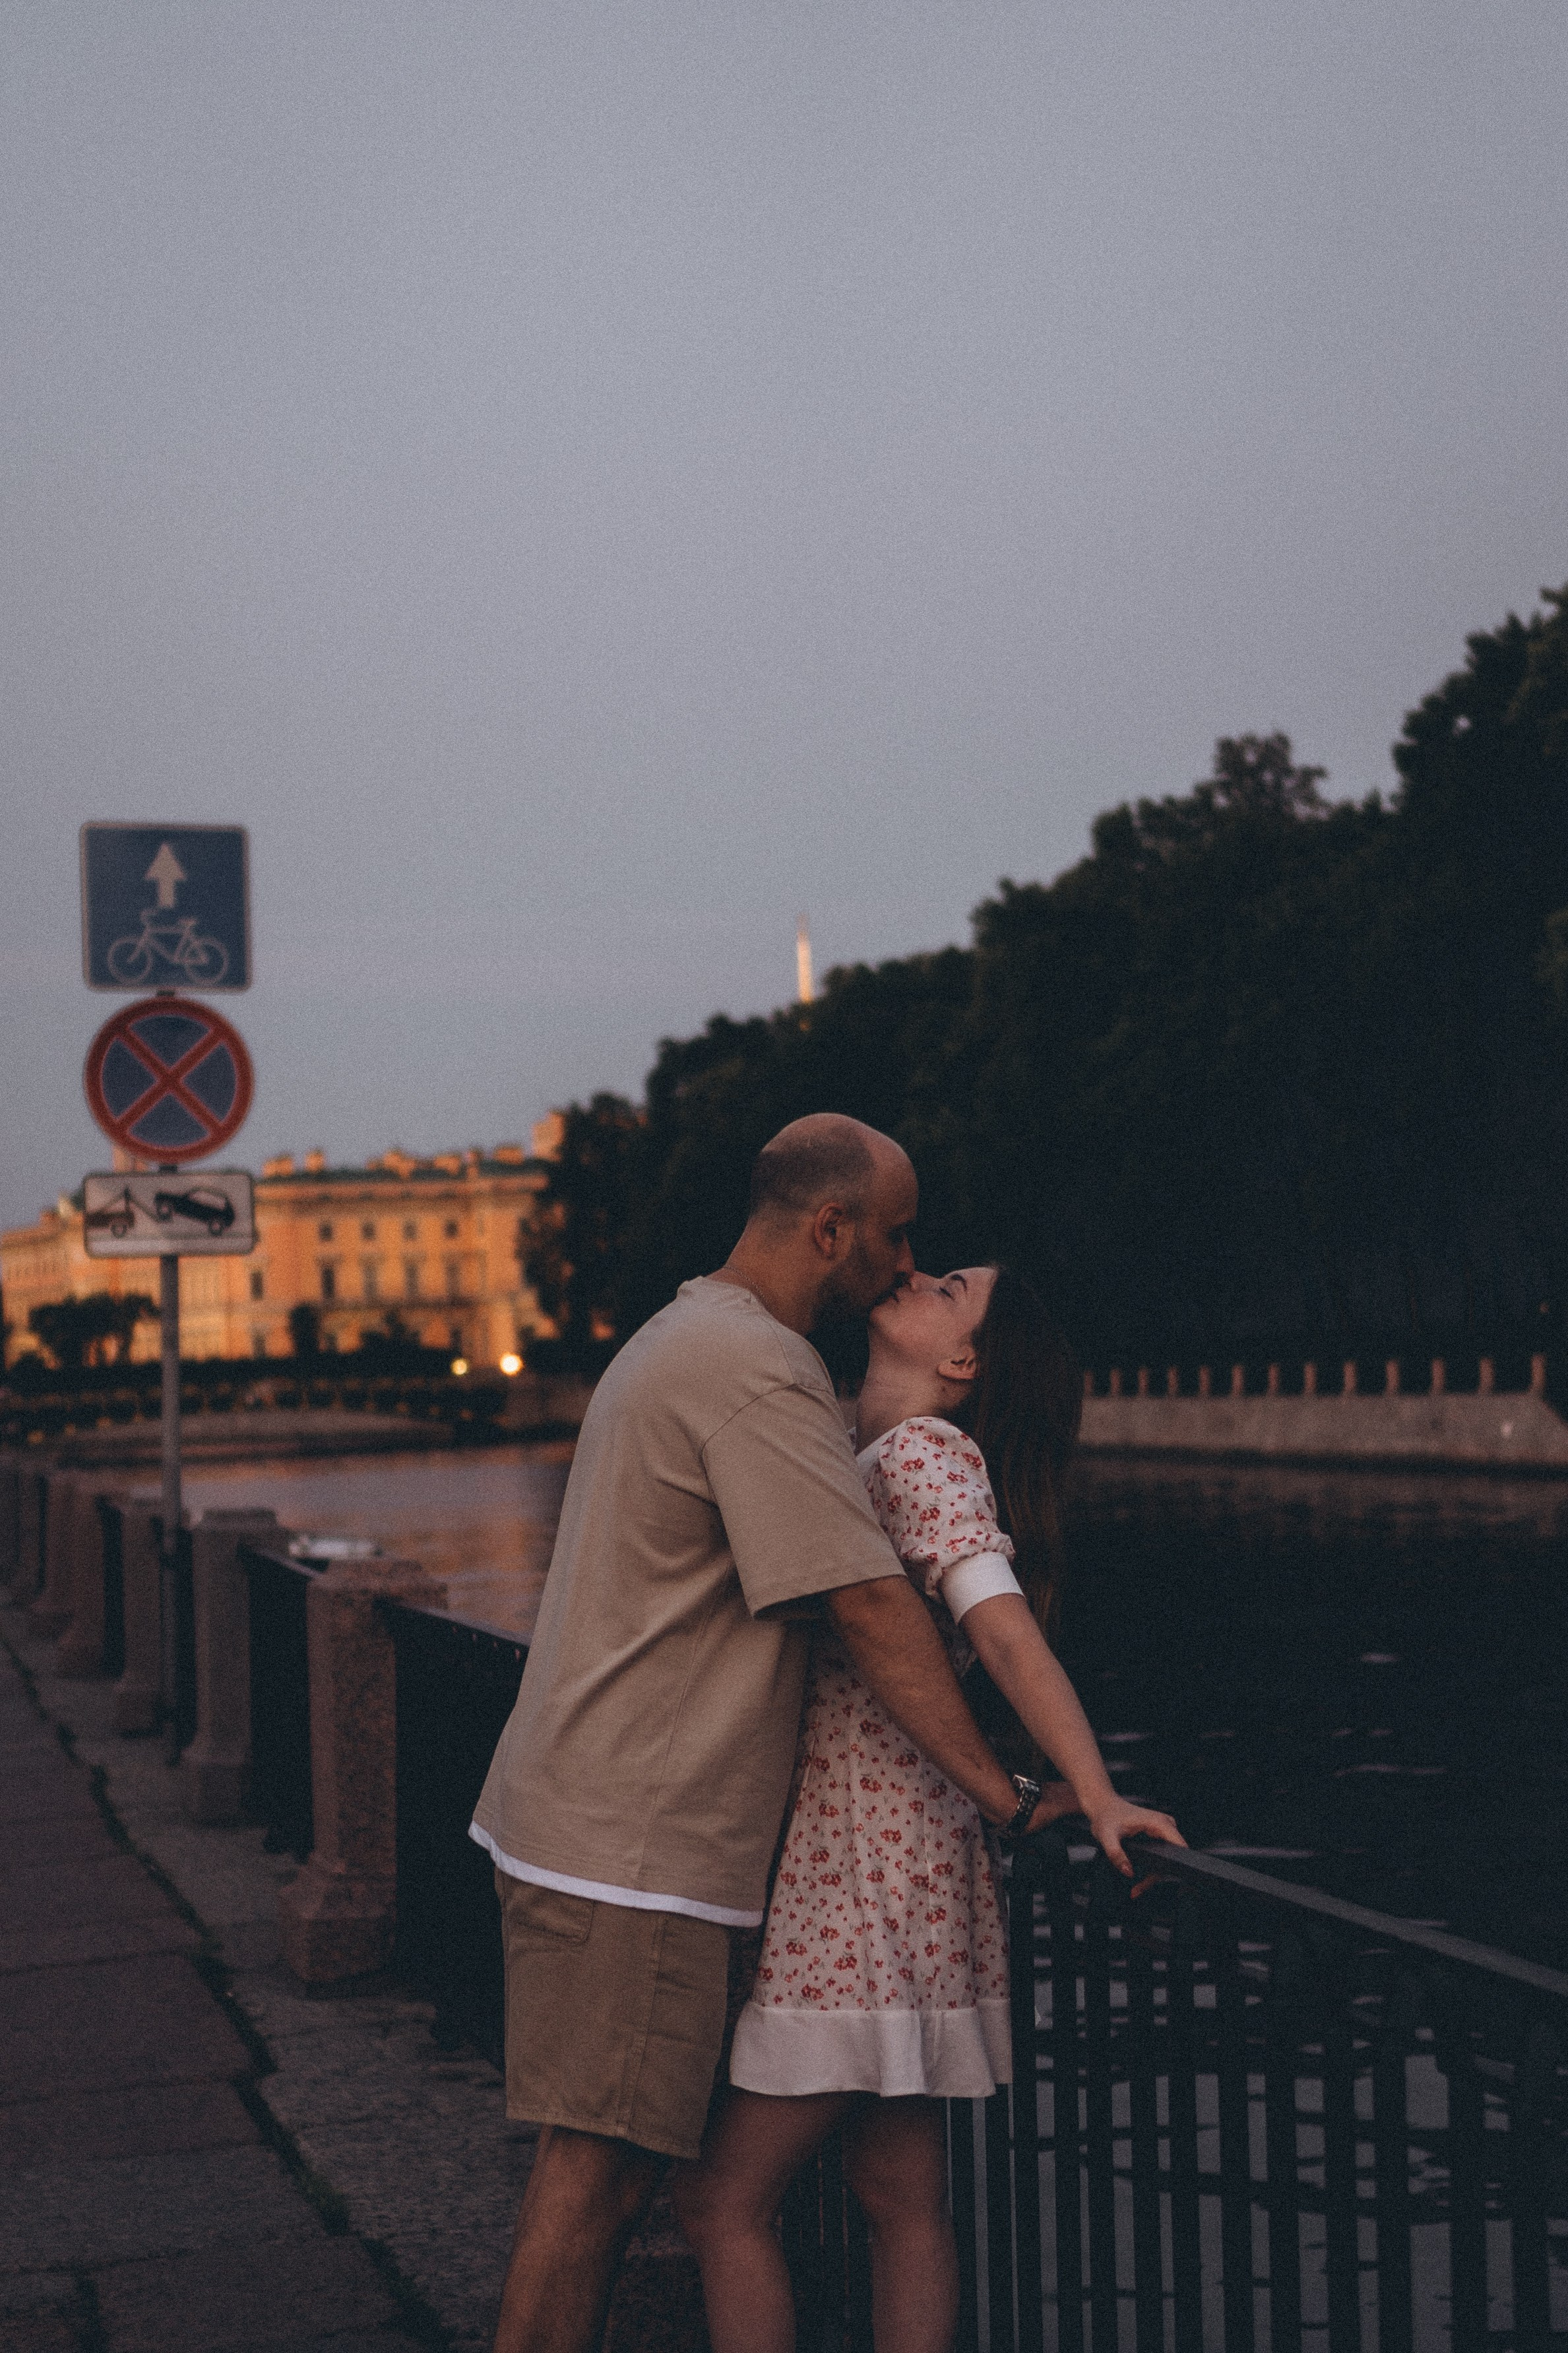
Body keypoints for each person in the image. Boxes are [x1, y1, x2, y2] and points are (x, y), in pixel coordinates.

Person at [469, 1122, 1059, 2353]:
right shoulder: (757, 1369)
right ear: (829, 1229)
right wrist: (1011, 1798)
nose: (907, 1258)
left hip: (595, 1823)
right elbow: (864, 1603)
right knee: (590, 2194)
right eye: (896, 1232)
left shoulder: (693, 1333)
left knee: (622, 2186)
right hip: (632, 1848)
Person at [674, 1263, 1184, 2353]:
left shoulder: (921, 1455)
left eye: (949, 1285)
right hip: (897, 1864)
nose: (913, 1271)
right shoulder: (874, 1454)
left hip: (860, 1878)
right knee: (897, 2197)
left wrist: (1092, 1792)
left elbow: (1000, 1631)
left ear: (961, 1362)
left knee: (723, 2202)